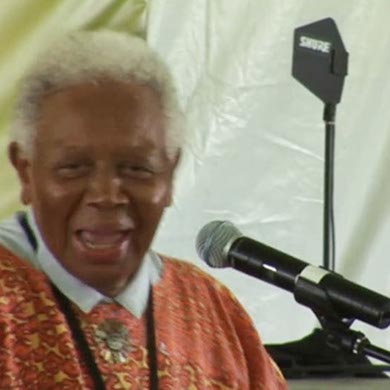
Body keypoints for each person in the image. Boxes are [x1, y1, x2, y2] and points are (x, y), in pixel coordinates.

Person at [0, 30, 287, 389]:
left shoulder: (209, 308)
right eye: (74, 167)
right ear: (26, 171)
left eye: (136, 168)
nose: (106, 195)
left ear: (168, 176)